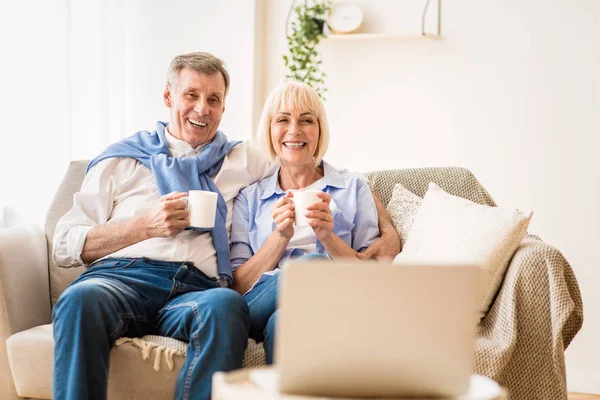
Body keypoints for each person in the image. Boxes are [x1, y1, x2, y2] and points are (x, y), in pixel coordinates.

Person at [52, 52, 400, 400]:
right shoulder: (121, 160)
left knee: (226, 305)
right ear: (168, 97)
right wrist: (145, 226)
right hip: (122, 279)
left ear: (223, 107)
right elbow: (65, 243)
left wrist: (388, 229)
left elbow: (310, 165)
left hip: (195, 290)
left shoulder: (242, 159)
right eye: (192, 95)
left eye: (213, 99)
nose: (202, 108)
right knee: (81, 299)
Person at [230, 81, 381, 364]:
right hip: (260, 304)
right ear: (270, 130)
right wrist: (280, 237)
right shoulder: (249, 198)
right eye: (283, 120)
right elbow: (237, 287)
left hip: (333, 306)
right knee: (311, 268)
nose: (294, 130)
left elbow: (372, 277)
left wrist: (328, 237)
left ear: (320, 130)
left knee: (285, 322)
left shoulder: (353, 187)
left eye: (306, 120)